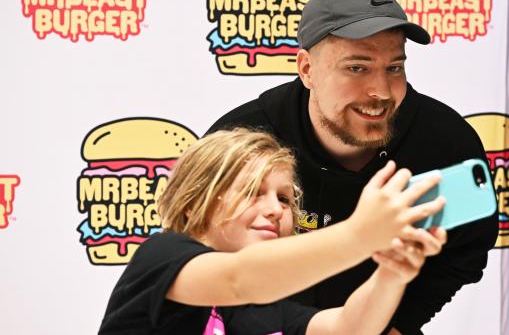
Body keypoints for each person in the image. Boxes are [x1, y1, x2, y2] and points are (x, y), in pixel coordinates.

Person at [206, 0, 499, 335]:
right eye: (357, 68)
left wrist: (399, 325)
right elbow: (198, 253)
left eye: (394, 68)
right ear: (306, 69)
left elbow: (463, 255)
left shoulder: (444, 142)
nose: (381, 91)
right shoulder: (244, 137)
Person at [98, 128, 447, 335]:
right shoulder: (161, 256)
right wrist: (360, 234)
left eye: (283, 198)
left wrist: (392, 273)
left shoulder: (263, 308)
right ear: (194, 201)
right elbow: (238, 279)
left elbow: (348, 328)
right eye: (252, 192)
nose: (275, 209)